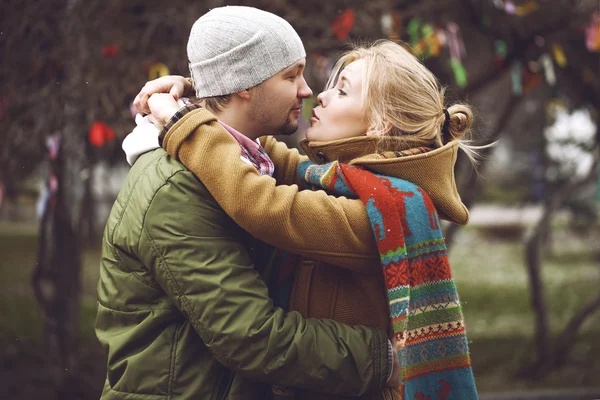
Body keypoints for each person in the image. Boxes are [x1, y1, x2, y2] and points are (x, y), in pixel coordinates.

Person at [131, 40, 482, 399]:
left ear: (380, 124)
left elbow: (260, 203)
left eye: (342, 91)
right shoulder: (352, 186)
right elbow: (265, 150)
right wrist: (209, 91)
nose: (321, 96)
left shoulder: (380, 215)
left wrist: (180, 120)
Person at [97, 7, 401, 400]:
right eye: (290, 76)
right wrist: (383, 360)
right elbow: (250, 336)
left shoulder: (246, 165)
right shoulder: (177, 186)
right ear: (244, 85)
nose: (307, 90)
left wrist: (194, 88)